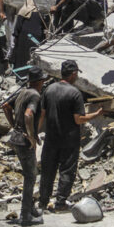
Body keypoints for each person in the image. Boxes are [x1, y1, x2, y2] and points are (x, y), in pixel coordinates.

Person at [38, 60, 103, 211]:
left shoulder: (49, 90)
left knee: (48, 170)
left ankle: (42, 202)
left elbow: (42, 114)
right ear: (73, 74)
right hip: (69, 139)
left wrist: (36, 133)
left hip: (51, 137)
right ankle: (60, 202)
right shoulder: (75, 93)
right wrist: (97, 114)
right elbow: (78, 119)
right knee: (67, 170)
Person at [2, 66, 47, 226]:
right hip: (24, 140)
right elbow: (29, 115)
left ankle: (31, 209)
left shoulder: (22, 92)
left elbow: (6, 106)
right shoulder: (35, 95)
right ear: (40, 82)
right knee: (30, 176)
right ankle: (25, 215)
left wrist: (14, 125)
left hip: (16, 137)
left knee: (30, 172)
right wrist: (31, 136)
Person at [10, 0, 46, 68]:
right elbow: (44, 27)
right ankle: (34, 74)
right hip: (36, 39)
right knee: (33, 56)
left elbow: (18, 26)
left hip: (23, 38)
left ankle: (21, 75)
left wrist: (15, 36)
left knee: (21, 56)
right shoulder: (40, 14)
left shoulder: (23, 11)